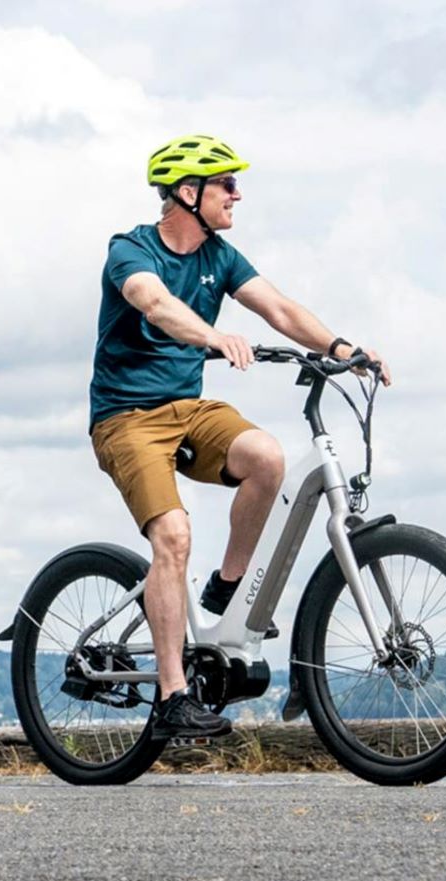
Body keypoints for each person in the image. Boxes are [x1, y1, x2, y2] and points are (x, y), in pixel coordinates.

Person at [89, 134, 391, 740]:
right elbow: (153, 303)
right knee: (172, 536)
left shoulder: (221, 256)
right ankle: (173, 695)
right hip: (126, 418)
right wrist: (211, 336)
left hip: (188, 408)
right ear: (187, 192)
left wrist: (340, 348)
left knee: (267, 458)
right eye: (226, 184)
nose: (237, 193)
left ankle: (226, 586)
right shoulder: (131, 249)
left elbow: (277, 308)